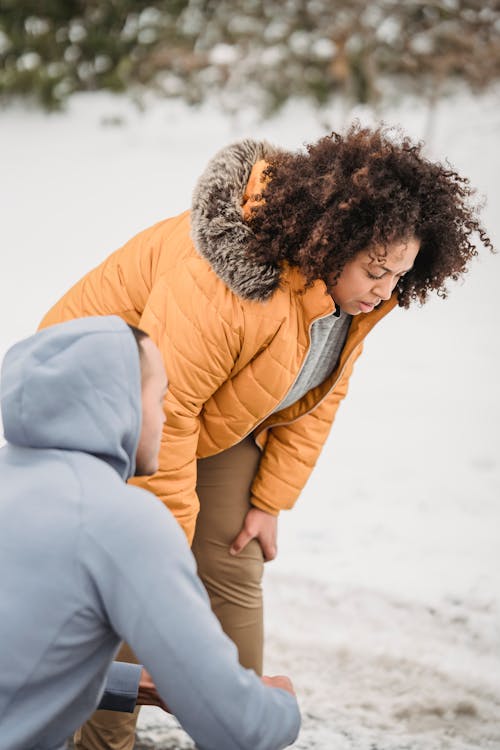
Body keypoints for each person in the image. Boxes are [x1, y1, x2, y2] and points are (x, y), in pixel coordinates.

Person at [39, 124, 492, 749]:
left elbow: (313, 399)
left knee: (234, 556)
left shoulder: (353, 299)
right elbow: (166, 408)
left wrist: (268, 499)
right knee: (132, 581)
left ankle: (239, 728)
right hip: (99, 407)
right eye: (377, 270)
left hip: (205, 412)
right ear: (332, 241)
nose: (387, 289)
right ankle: (100, 744)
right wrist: (160, 554)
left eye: (401, 274)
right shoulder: (229, 283)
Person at [0, 316, 300, 750]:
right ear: (117, 403)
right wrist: (282, 707)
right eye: (159, 398)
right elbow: (236, 728)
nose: (165, 417)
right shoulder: (122, 518)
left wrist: (128, 682)